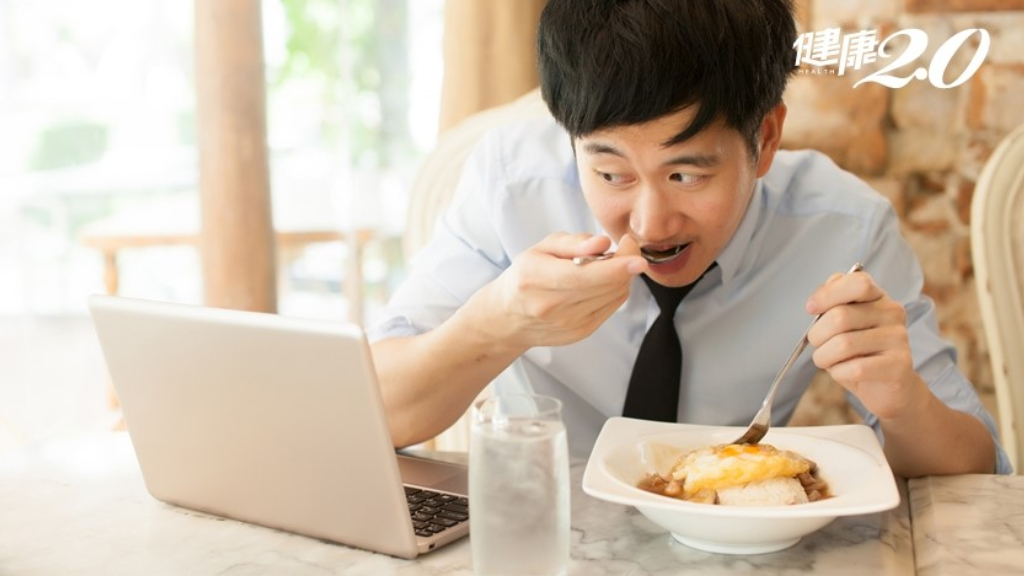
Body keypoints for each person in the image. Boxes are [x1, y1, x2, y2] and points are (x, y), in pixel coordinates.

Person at [368, 0, 1011, 476]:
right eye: (610, 172)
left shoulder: (842, 227)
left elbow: (976, 471)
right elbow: (371, 414)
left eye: (685, 173)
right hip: (543, 533)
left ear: (764, 140)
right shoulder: (510, 182)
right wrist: (496, 323)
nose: (649, 224)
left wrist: (902, 401)